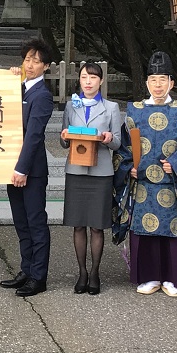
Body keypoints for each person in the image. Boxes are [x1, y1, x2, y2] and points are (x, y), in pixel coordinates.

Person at [113, 51, 177, 298]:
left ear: (171, 83)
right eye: (153, 80)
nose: (158, 85)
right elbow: (124, 147)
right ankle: (148, 277)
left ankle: (173, 278)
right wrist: (129, 167)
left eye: (163, 80)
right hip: (143, 183)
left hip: (172, 184)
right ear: (147, 83)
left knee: (173, 232)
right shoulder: (134, 112)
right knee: (144, 232)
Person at [60, 62, 121, 295]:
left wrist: (107, 138)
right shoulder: (70, 105)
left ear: (101, 81)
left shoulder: (111, 108)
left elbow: (117, 141)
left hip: (101, 171)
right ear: (80, 80)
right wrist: (64, 136)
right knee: (78, 225)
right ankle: (82, 272)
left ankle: (95, 272)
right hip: (76, 169)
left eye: (93, 78)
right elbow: (64, 140)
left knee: (97, 226)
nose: (88, 82)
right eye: (84, 77)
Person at [1, 38, 55, 297]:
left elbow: (33, 135)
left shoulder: (42, 95)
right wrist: (11, 80)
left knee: (35, 222)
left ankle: (39, 277)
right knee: (21, 222)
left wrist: (22, 169)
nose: (30, 65)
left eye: (36, 61)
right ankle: (26, 269)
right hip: (11, 167)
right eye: (27, 59)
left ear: (45, 66)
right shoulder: (19, 88)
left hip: (30, 170)